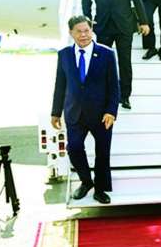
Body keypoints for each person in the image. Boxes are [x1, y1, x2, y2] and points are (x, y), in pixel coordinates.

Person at [51, 15, 120, 205]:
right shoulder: (64, 55)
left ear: (92, 31)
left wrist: (111, 111)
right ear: (71, 33)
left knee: (102, 153)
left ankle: (100, 189)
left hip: (101, 115)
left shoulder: (106, 54)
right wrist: (55, 112)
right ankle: (86, 181)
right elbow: (60, 85)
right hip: (74, 113)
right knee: (73, 148)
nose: (83, 35)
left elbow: (114, 86)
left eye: (87, 31)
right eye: (79, 32)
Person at [81, 0, 150, 110]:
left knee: (124, 62)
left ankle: (125, 96)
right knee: (102, 63)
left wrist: (144, 22)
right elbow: (86, 0)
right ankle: (105, 95)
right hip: (103, 26)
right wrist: (88, 20)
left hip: (124, 26)